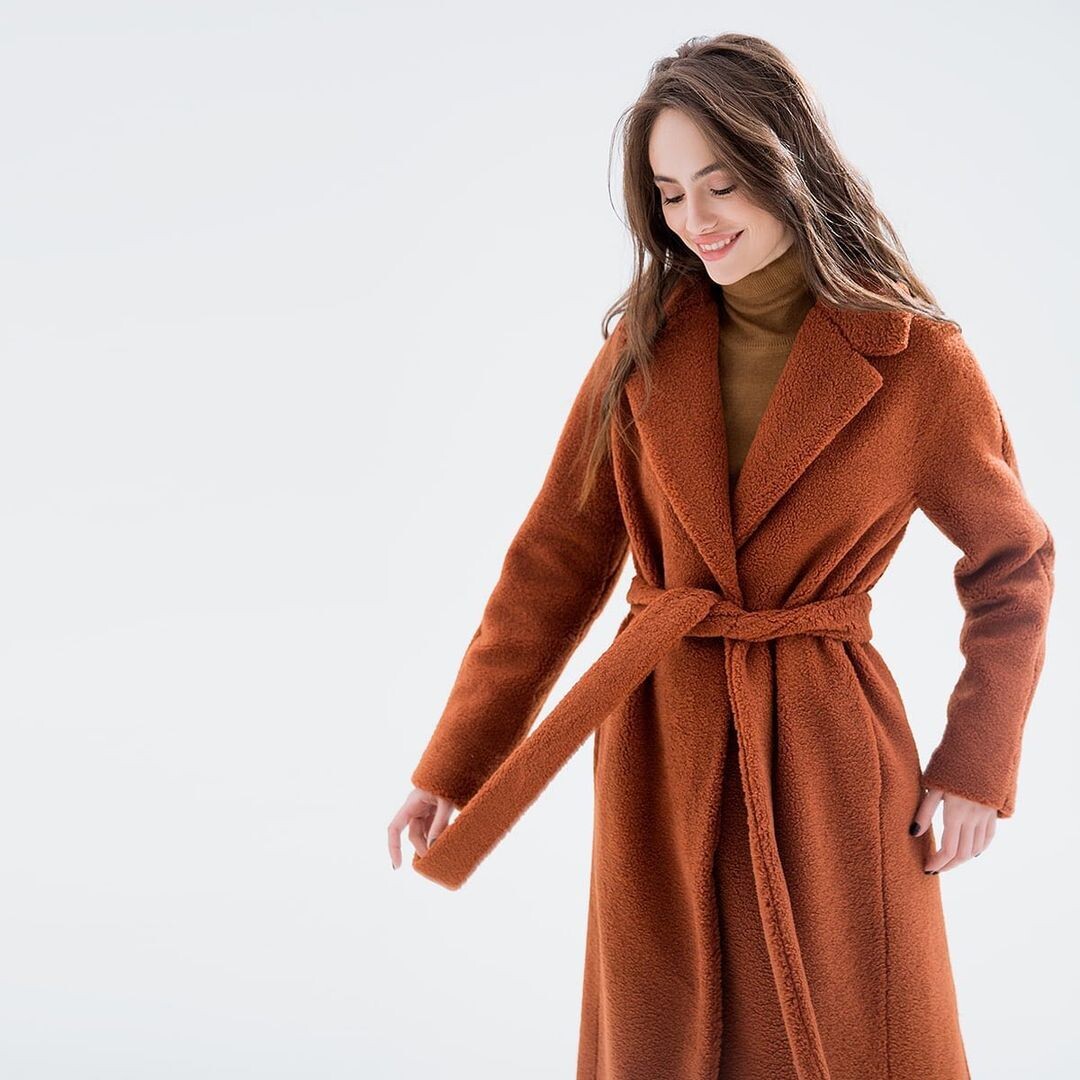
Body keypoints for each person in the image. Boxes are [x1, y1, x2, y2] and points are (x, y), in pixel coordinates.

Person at [387, 33, 1055, 1080]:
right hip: (663, 740)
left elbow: (1014, 565)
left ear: (787, 163)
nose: (695, 219)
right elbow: (551, 566)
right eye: (668, 193)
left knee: (859, 1029)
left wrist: (976, 767)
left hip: (828, 749)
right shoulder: (641, 348)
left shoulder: (918, 358)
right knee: (666, 1032)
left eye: (720, 183)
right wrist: (454, 765)